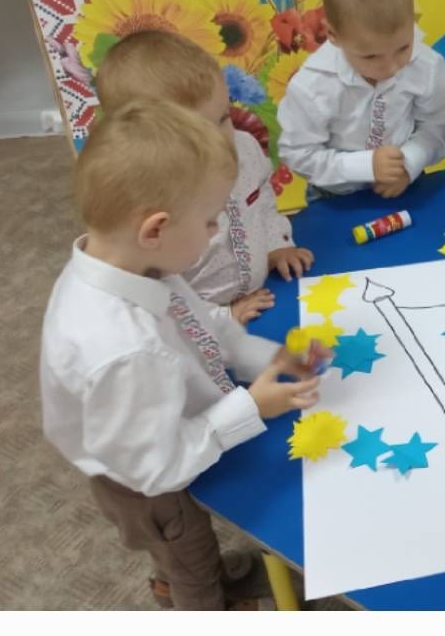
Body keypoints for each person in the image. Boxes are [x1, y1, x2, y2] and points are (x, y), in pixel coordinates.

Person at [40, 100, 325, 609]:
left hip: (149, 426)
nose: (218, 233)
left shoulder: (132, 263)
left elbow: (204, 327)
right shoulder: (124, 349)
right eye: (211, 221)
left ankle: (185, 573)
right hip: (145, 482)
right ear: (155, 229)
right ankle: (193, 596)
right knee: (187, 553)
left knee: (185, 549)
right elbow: (157, 468)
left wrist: (270, 357)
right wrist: (251, 407)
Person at [94, 29, 311, 323]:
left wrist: (277, 243)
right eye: (197, 132)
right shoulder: (150, 204)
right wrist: (222, 317)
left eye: (223, 117)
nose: (221, 139)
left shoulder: (244, 148)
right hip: (200, 325)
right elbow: (157, 295)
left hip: (268, 291)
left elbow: (263, 199)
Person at [276, 0, 445, 197]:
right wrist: (366, 166)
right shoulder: (312, 86)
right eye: (371, 56)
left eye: (403, 47)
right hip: (335, 194)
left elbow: (436, 128)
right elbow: (298, 154)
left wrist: (408, 163)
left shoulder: (427, 64)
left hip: (406, 181)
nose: (392, 67)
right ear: (333, 35)